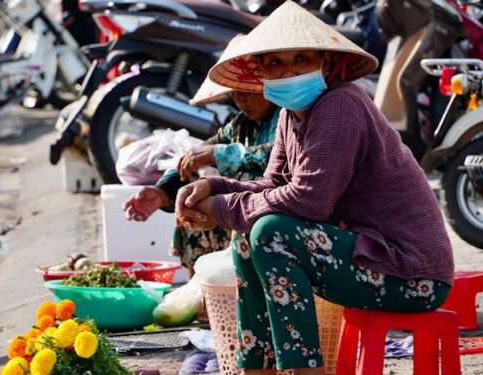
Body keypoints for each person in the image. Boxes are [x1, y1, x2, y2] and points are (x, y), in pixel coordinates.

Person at [174, 2, 454, 374]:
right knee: (247, 238)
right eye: (275, 62)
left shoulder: (340, 105)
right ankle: (258, 367)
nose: (288, 70)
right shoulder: (293, 115)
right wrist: (212, 185)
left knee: (272, 232)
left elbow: (309, 200)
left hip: (411, 274)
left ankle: (306, 370)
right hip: (371, 257)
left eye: (301, 58)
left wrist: (221, 208)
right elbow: (272, 186)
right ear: (261, 70)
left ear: (324, 62)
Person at [123, 37, 281, 276]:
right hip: (246, 205)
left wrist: (217, 155)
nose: (241, 101)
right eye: (235, 95)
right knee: (191, 204)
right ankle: (201, 291)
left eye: (246, 92)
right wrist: (162, 191)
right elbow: (196, 156)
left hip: (276, 206)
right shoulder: (240, 124)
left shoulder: (286, 115)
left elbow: (279, 154)